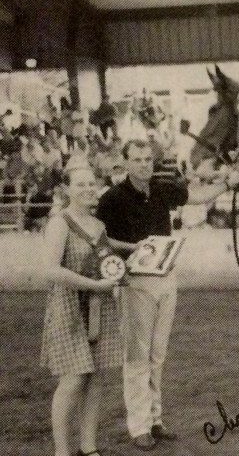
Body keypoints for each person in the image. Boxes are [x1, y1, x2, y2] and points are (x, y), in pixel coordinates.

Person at [96, 139, 239, 451]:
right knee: (137, 356)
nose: (143, 164)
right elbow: (102, 240)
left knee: (157, 354)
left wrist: (227, 186)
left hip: (165, 277)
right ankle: (139, 426)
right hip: (135, 281)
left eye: (147, 159)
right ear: (124, 162)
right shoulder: (112, 198)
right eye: (137, 159)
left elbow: (197, 196)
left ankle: (154, 420)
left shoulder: (162, 188)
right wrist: (133, 248)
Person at [40, 162, 122, 456]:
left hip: (100, 308)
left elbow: (104, 249)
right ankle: (62, 451)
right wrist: (93, 284)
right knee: (73, 380)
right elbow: (49, 271)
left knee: (96, 377)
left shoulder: (98, 224)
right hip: (70, 308)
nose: (88, 189)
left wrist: (135, 248)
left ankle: (88, 447)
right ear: (66, 190)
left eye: (92, 184)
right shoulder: (59, 223)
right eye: (81, 184)